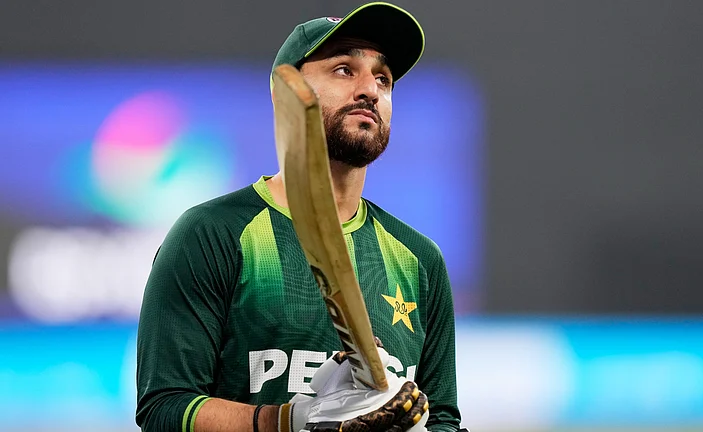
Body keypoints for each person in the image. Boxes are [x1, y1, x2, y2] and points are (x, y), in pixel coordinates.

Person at [135, 3, 463, 432]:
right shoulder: (213, 234)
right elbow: (163, 409)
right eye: (344, 70)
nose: (370, 90)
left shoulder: (420, 260)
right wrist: (290, 420)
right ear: (285, 94)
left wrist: (409, 423)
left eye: (383, 79)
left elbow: (443, 419)